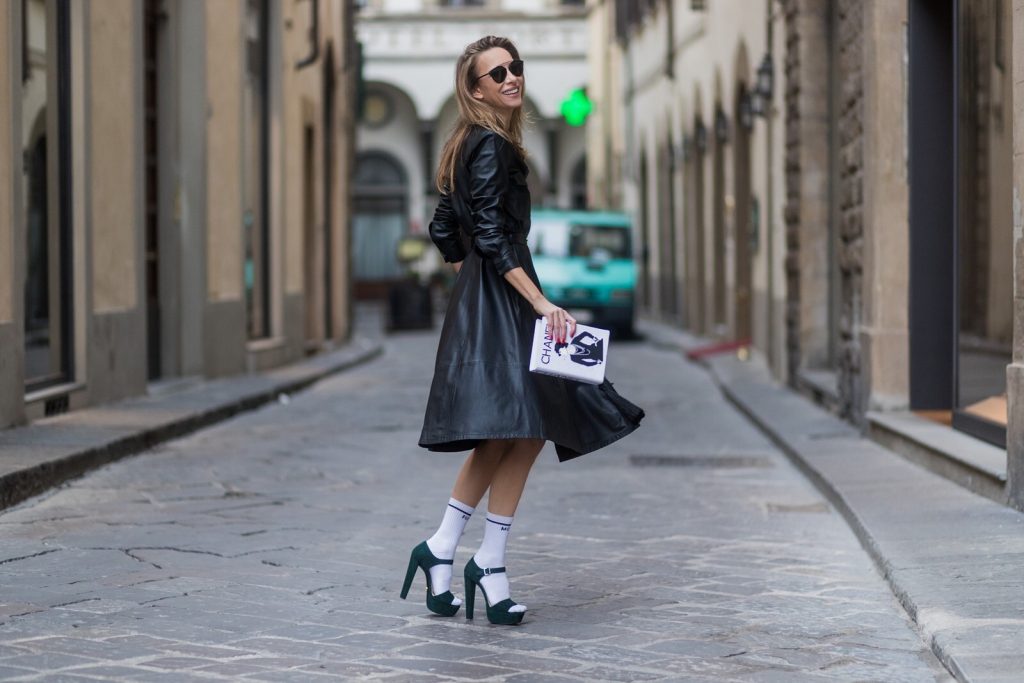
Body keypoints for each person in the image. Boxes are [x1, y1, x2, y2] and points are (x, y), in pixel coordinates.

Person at [400, 36, 644, 626]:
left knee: (526, 428)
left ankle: (459, 552)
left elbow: (443, 227)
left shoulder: (470, 143)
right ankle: (476, 558)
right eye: (497, 72)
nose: (511, 78)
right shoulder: (489, 145)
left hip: (490, 296)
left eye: (516, 67)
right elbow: (488, 232)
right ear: (476, 88)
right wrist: (538, 302)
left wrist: (473, 282)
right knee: (519, 424)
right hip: (508, 297)